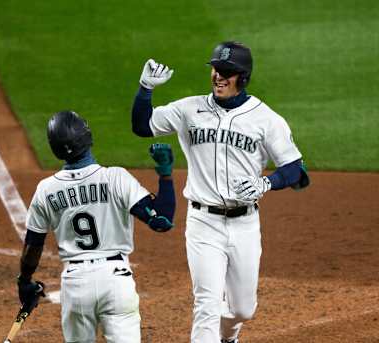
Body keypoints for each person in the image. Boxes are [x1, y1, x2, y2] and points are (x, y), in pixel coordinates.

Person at [131, 41, 309, 343]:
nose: (218, 77)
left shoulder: (266, 119)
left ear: (243, 77)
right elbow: (142, 125)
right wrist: (145, 88)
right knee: (207, 306)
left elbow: (297, 172)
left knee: (242, 309)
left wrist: (266, 183)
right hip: (203, 224)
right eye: (216, 69)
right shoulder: (189, 109)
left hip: (245, 225)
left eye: (227, 72)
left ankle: (229, 336)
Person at [16, 110, 176, 343]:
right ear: (86, 136)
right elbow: (162, 221)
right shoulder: (115, 178)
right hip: (116, 280)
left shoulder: (45, 190)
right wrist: (165, 173)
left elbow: (33, 246)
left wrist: (25, 280)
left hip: (75, 284)